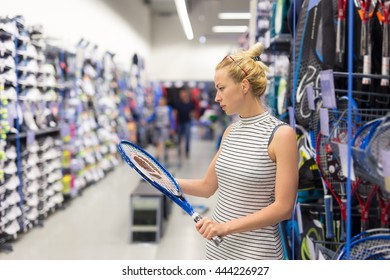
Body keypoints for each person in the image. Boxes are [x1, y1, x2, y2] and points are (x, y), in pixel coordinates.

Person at [176, 42, 298, 260]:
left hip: (256, 255)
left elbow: (283, 208)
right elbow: (207, 187)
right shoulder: (230, 132)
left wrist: (224, 228)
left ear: (243, 86)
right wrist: (162, 179)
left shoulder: (281, 135)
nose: (216, 97)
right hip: (218, 251)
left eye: (221, 88)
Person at [175, 87, 195, 159]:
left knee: (187, 137)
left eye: (184, 93)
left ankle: (187, 151)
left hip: (187, 122)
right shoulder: (178, 103)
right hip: (180, 122)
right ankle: (179, 150)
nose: (182, 95)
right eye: (181, 94)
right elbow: (175, 114)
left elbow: (193, 112)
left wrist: (193, 115)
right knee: (179, 138)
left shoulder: (190, 103)